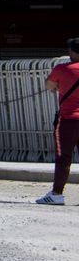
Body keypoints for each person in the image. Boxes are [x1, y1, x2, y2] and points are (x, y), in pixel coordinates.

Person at [37, 38, 79, 206]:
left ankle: (56, 194)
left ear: (74, 52)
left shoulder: (62, 69)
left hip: (68, 120)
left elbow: (49, 85)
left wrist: (59, 86)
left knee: (63, 157)